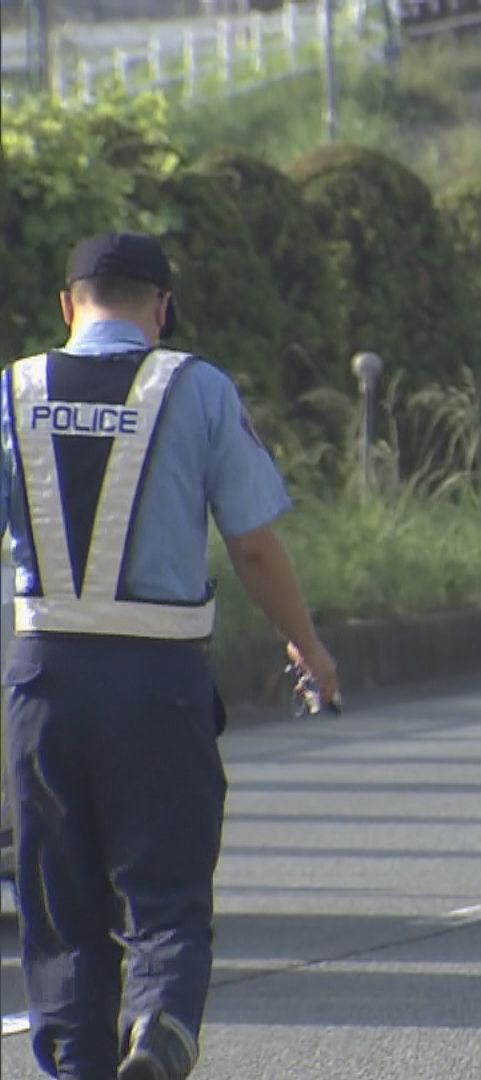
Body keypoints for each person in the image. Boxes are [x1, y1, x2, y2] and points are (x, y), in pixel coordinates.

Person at [2, 232, 340, 1080]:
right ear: (161, 309)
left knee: (62, 913)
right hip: (158, 686)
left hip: (42, 681)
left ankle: (78, 1064)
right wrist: (307, 645)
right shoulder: (197, 388)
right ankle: (157, 1028)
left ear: (66, 305)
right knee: (167, 898)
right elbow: (254, 548)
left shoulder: (12, 392)